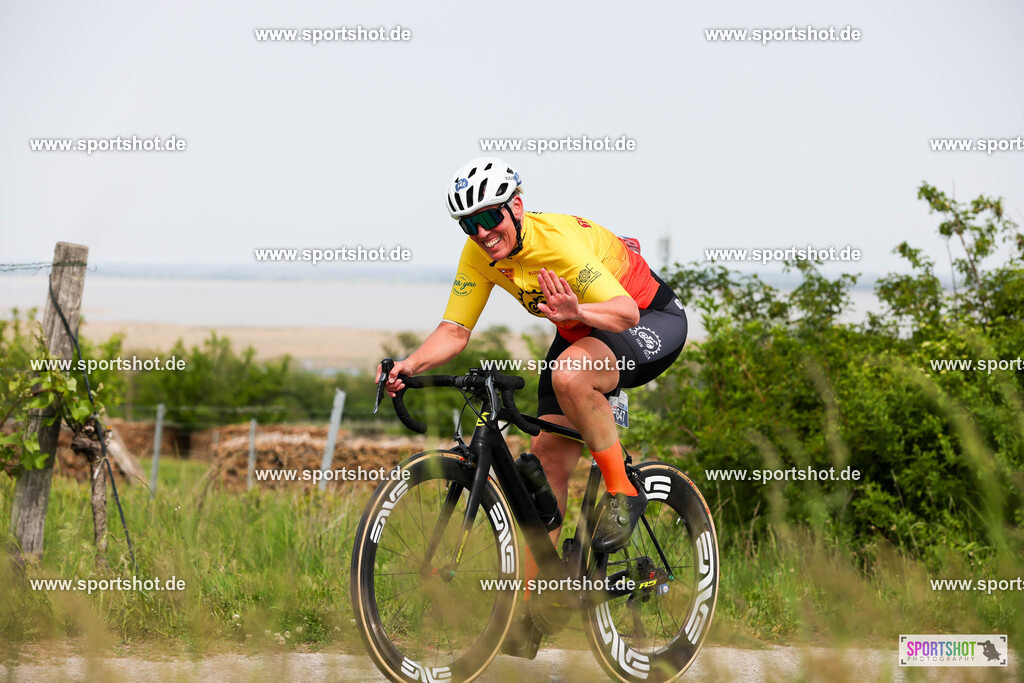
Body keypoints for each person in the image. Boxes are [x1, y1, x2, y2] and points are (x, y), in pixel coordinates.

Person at [378, 157, 687, 646]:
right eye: (468, 223)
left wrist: (577, 310)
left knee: (569, 374)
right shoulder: (479, 253)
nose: (481, 232)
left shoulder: (555, 246)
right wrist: (408, 366)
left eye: (489, 217)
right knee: (542, 467)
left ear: (516, 207)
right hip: (579, 328)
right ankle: (534, 610)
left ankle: (624, 490)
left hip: (648, 319)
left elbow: (626, 312)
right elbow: (455, 330)